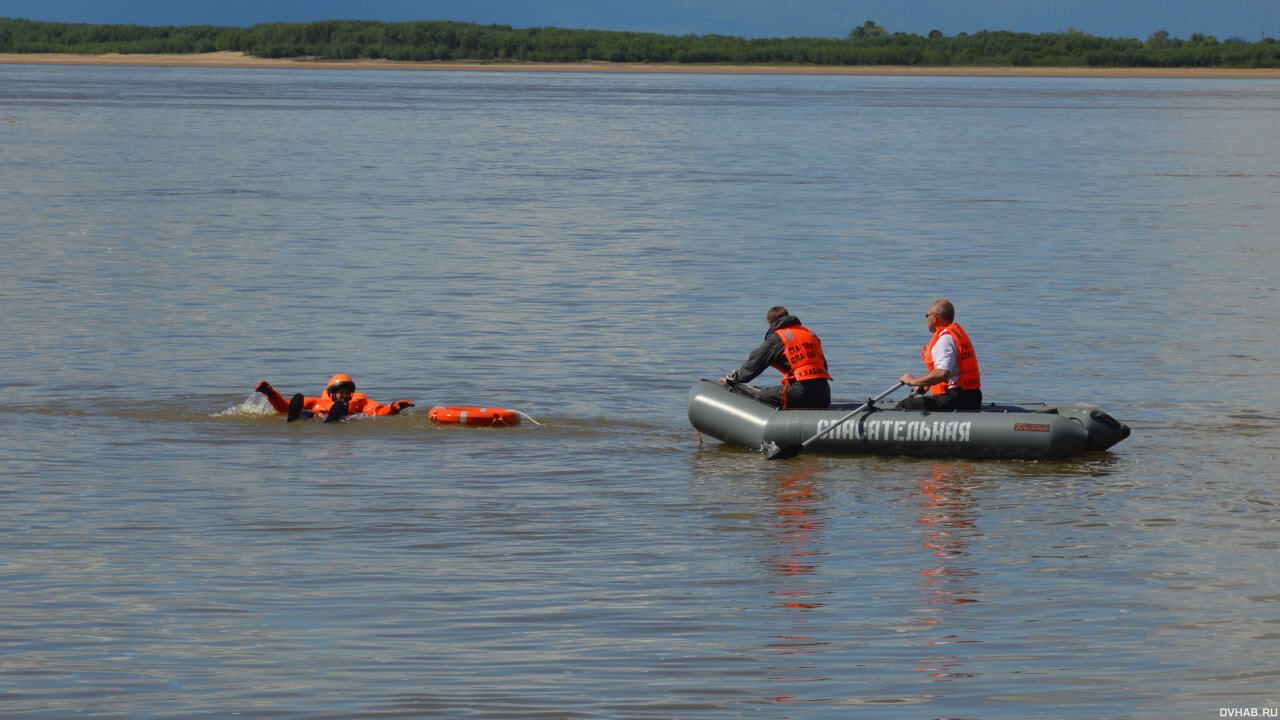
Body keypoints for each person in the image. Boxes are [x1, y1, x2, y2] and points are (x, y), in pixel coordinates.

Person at [722, 306, 832, 409]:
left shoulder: (779, 337)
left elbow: (755, 363)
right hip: (824, 392)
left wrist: (734, 378)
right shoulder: (810, 334)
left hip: (800, 391)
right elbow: (823, 366)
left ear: (770, 322)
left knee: (760, 395)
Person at [896, 299, 982, 411]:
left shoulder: (944, 340)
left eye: (926, 316)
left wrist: (913, 381)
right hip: (973, 396)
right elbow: (953, 371)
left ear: (934, 317)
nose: (926, 320)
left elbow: (942, 373)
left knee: (904, 405)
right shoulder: (956, 335)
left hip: (953, 398)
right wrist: (927, 383)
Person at [255, 373, 414, 422]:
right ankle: (295, 417)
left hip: (345, 418)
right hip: (314, 418)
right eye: (341, 392)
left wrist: (394, 407)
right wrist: (270, 392)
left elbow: (378, 411)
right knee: (304, 413)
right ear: (331, 393)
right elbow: (283, 407)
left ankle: (334, 419)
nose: (344, 395)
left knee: (345, 418)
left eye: (347, 392)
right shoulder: (316, 402)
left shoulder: (360, 403)